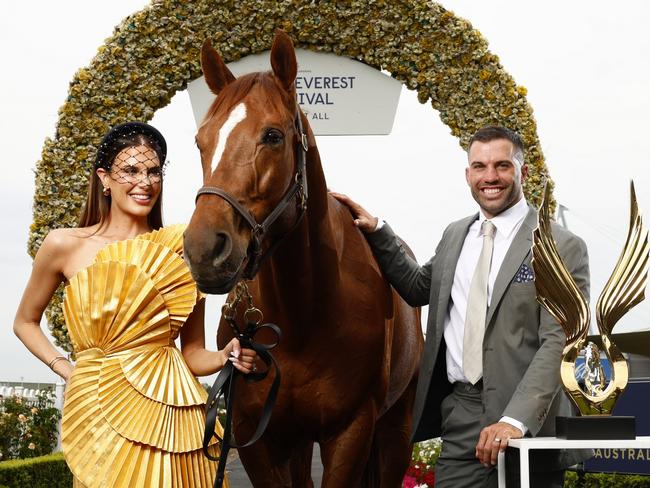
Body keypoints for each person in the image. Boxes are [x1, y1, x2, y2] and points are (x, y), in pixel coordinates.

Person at [332, 126, 590, 488]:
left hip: (531, 425)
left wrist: (515, 420)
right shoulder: (456, 235)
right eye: (480, 166)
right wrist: (378, 232)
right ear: (468, 174)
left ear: (523, 172)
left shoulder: (561, 245)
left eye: (502, 166)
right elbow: (419, 287)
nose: (490, 177)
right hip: (463, 415)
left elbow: (559, 341)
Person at [13, 122, 256, 487]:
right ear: (104, 179)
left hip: (172, 414)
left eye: (153, 171)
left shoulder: (181, 249)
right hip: (98, 407)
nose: (144, 181)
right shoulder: (64, 245)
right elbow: (25, 322)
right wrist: (66, 368)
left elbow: (192, 354)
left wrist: (226, 355)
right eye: (130, 170)